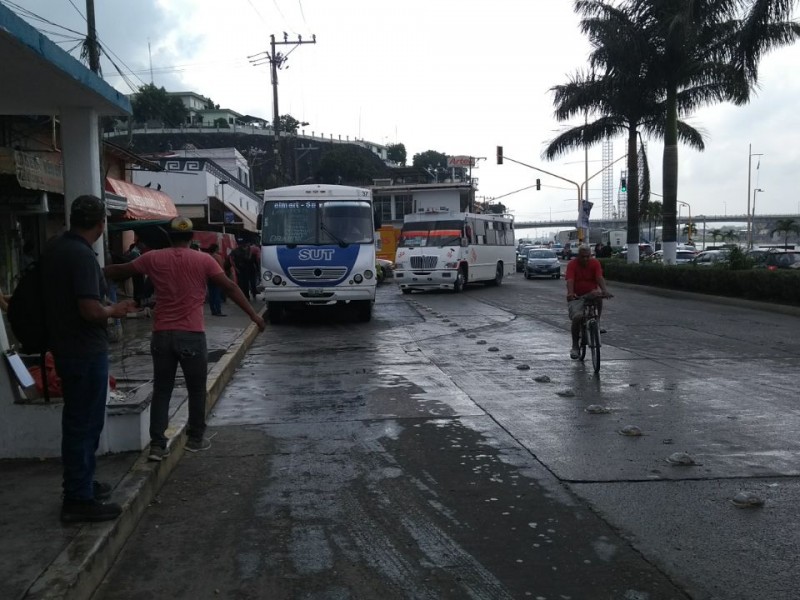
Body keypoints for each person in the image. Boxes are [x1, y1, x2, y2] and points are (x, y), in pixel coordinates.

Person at [105, 217, 265, 461]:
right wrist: (254, 315)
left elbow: (120, 271)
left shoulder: (153, 258)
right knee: (196, 389)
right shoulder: (204, 260)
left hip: (162, 335)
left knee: (162, 390)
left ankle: (158, 445)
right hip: (191, 334)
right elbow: (230, 288)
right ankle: (195, 438)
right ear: (192, 238)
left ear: (169, 237)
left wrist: (92, 271)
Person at [43, 195, 136, 523]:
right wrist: (116, 310)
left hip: (68, 348)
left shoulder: (56, 249)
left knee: (78, 422)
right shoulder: (81, 257)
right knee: (85, 423)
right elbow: (90, 310)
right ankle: (78, 499)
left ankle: (81, 485)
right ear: (101, 224)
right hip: (84, 351)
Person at [565, 244, 612, 360]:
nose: (585, 259)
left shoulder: (595, 263)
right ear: (578, 256)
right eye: (583, 257)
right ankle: (575, 346)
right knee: (577, 318)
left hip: (591, 294)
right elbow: (570, 280)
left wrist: (605, 291)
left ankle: (597, 322)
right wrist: (571, 293)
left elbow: (599, 278)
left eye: (587, 256)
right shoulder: (572, 264)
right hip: (577, 296)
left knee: (598, 296)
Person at [206, 243, 226, 316]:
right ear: (216, 249)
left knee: (211, 294)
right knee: (217, 294)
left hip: (209, 277)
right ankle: (218, 311)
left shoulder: (208, 256)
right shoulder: (218, 257)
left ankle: (213, 311)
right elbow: (221, 268)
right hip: (217, 277)